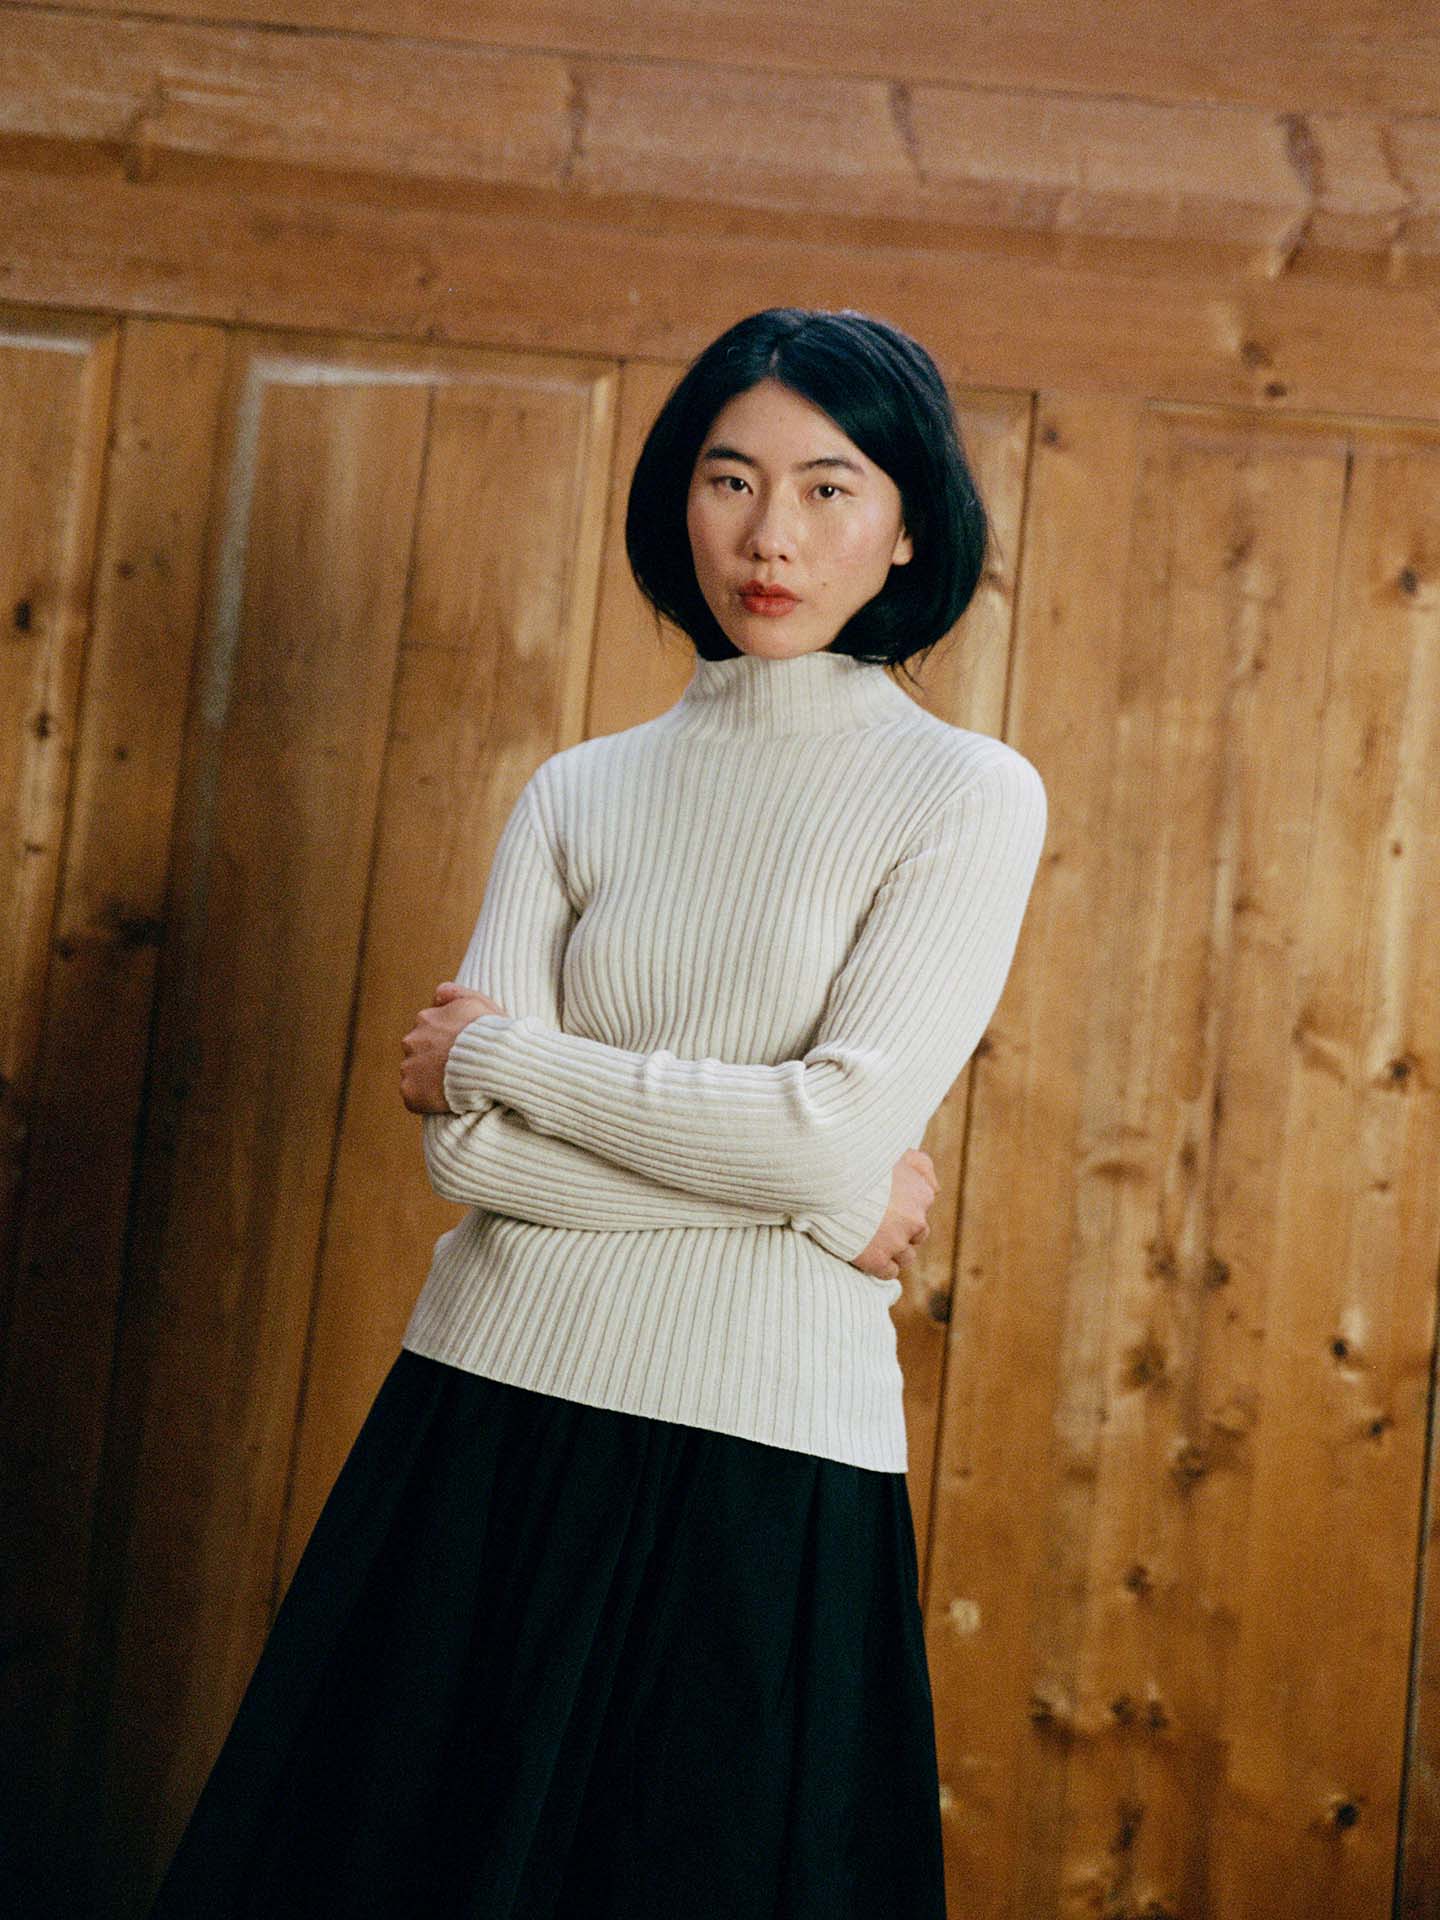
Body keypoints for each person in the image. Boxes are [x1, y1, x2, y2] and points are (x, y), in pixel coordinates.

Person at [146, 307, 1048, 1919]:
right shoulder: (581, 788)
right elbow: (466, 1161)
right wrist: (809, 1192)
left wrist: (510, 1059)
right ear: (676, 500)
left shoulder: (967, 794)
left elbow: (805, 1133)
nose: (770, 535)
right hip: (481, 1405)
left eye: (829, 488)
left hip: (765, 1457)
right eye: (729, 478)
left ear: (911, 521)